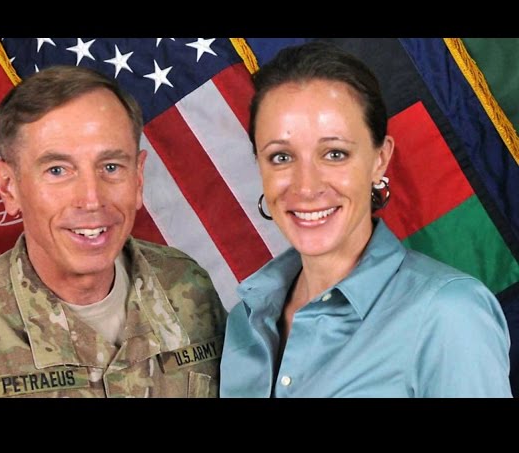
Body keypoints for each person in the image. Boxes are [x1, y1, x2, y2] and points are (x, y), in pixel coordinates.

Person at [0, 66, 227, 398]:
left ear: (138, 178)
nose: (91, 199)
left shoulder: (187, 287)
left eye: (111, 167)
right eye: (58, 170)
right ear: (8, 186)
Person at [219, 42, 512, 397]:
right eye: (281, 157)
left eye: (335, 153)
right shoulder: (245, 321)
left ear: (379, 159)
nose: (306, 186)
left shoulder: (448, 313)